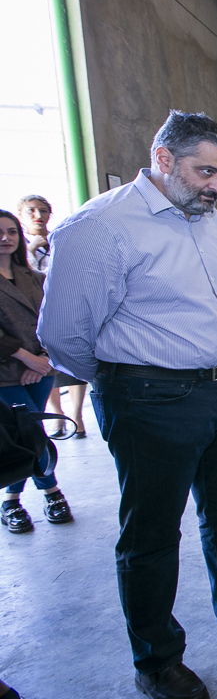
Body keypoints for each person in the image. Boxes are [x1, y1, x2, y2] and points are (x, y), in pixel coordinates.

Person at [37, 111, 217, 699]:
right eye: (205, 172)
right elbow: (64, 335)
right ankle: (156, 659)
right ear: (162, 159)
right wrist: (127, 380)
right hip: (152, 400)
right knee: (152, 533)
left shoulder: (204, 221)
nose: (216, 187)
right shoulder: (101, 226)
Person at [0, 210, 73, 533]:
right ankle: (50, 493)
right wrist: (25, 358)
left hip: (40, 370)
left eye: (12, 232)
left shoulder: (35, 277)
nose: (6, 238)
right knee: (29, 433)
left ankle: (11, 501)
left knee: (26, 434)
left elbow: (55, 318)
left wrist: (42, 357)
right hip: (6, 372)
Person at [17, 195, 87, 439]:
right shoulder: (18, 244)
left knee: (71, 364)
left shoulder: (61, 237)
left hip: (64, 306)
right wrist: (30, 250)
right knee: (47, 366)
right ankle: (56, 414)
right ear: (21, 216)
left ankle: (76, 415)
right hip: (31, 314)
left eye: (43, 210)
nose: (38, 215)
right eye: (31, 211)